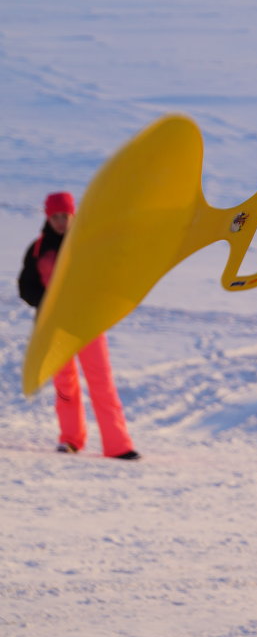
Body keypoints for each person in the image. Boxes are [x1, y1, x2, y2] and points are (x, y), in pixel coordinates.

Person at [19, 191, 140, 460]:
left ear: (74, 216)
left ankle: (118, 445)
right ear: (48, 217)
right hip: (54, 328)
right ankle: (71, 439)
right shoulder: (38, 249)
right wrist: (48, 304)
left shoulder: (88, 244)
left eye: (65, 216)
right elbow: (26, 287)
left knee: (102, 383)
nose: (61, 222)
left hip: (87, 325)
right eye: (55, 217)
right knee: (65, 387)